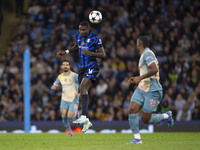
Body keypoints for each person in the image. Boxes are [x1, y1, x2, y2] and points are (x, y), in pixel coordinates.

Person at [57, 21, 106, 133]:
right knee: (80, 89)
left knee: (83, 87)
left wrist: (90, 53)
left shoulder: (95, 38)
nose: (82, 32)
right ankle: (87, 120)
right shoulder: (78, 36)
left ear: (89, 29)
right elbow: (77, 46)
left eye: (84, 30)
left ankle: (84, 116)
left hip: (92, 65)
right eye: (80, 29)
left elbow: (103, 54)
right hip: (82, 67)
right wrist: (66, 51)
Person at [127, 36, 174, 144]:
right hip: (142, 88)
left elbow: (154, 69)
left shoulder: (147, 53)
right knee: (132, 110)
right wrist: (137, 78)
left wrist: (140, 78)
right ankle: (137, 139)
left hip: (153, 90)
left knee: (145, 119)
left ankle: (166, 116)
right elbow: (146, 72)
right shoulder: (144, 55)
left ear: (139, 44)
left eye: (136, 43)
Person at [51, 60, 79, 137]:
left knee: (70, 116)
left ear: (69, 66)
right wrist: (54, 87)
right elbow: (55, 84)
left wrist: (79, 92)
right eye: (64, 65)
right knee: (64, 117)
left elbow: (82, 83)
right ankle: (70, 133)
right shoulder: (60, 76)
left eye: (67, 64)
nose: (65, 66)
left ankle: (76, 113)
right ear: (62, 67)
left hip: (73, 98)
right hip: (64, 99)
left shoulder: (74, 76)